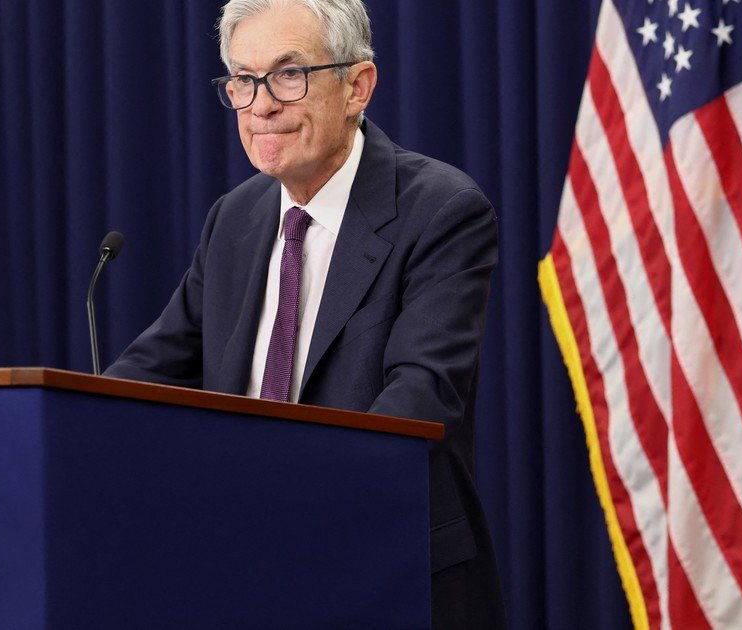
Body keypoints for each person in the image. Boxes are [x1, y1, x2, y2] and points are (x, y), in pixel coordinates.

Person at [105, 0, 506, 625]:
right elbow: (149, 373)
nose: (260, 105)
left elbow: (420, 398)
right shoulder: (235, 217)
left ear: (357, 87)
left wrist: (286, 496)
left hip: (385, 568)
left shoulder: (442, 210)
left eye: (289, 75)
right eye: (243, 80)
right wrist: (63, 430)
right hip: (245, 567)